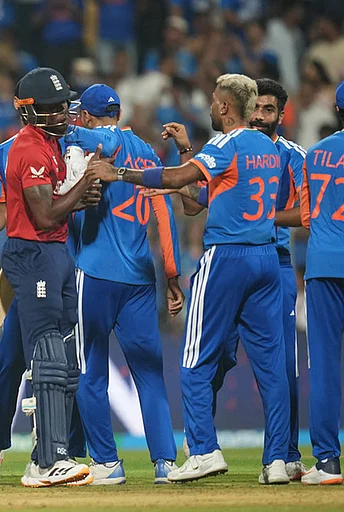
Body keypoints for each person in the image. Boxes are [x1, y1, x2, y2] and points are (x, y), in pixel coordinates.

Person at [86, 73, 290, 485]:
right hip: (268, 258)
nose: (211, 107)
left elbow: (181, 180)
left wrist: (119, 174)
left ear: (227, 108)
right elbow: (205, 195)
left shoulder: (226, 142)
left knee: (195, 361)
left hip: (227, 257)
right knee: (272, 369)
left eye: (215, 102)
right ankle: (279, 461)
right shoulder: (268, 149)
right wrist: (185, 150)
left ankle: (202, 451)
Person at [155, 78, 307, 481]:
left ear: (280, 114)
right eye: (257, 108)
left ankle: (263, 452)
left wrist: (253, 219)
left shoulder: (286, 154)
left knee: (205, 357)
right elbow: (199, 198)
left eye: (269, 110)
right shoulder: (259, 150)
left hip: (257, 258)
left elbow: (306, 214)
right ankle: (271, 457)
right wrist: (188, 152)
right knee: (249, 362)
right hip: (260, 260)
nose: (260, 115)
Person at [0, 81, 115, 486]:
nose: (62, 115)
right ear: (28, 110)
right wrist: (83, 185)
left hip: (54, 256)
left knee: (23, 359)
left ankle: (35, 452)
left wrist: (81, 189)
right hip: (34, 254)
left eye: (64, 107)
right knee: (47, 354)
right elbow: (40, 215)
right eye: (52, 108)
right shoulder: (21, 150)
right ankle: (40, 458)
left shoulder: (57, 144)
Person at [70, 84, 182, 485]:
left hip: (97, 274)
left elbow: (89, 138)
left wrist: (58, 126)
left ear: (85, 115)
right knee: (149, 373)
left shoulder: (99, 143)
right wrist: (172, 273)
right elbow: (163, 215)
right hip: (139, 277)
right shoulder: (148, 153)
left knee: (89, 371)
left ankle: (107, 463)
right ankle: (165, 463)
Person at [299, 81, 344, 486]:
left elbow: (308, 217)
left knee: (326, 366)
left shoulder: (316, 155)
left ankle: (328, 462)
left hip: (325, 265)